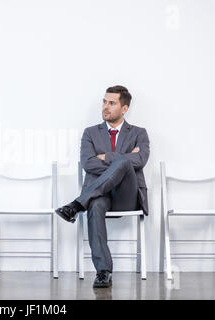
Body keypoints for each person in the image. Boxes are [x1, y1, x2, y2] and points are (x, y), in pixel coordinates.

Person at [55, 85, 150, 288]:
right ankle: (103, 271)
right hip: (100, 196)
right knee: (97, 203)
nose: (105, 107)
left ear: (124, 109)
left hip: (127, 195)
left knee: (124, 164)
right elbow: (88, 163)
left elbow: (140, 160)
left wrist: (108, 157)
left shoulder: (139, 133)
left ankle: (77, 204)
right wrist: (124, 159)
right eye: (104, 101)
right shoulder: (90, 133)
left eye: (112, 103)